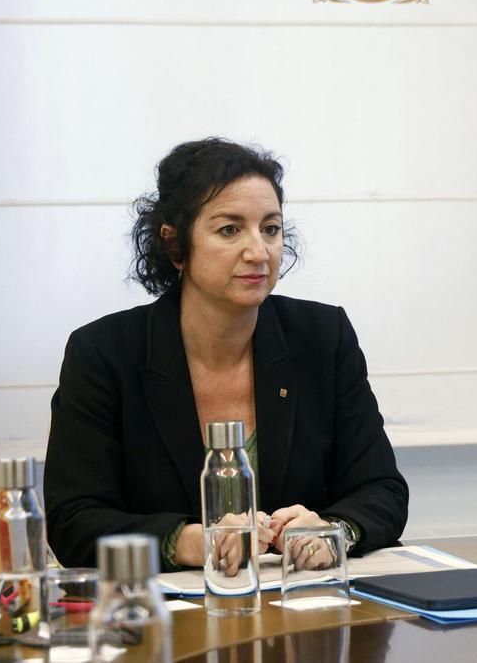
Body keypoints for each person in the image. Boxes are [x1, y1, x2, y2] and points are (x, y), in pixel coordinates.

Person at [45, 138, 408, 568]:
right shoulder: (104, 353)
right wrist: (189, 542)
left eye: (270, 228)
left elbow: (382, 488)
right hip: (165, 620)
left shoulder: (323, 337)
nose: (259, 252)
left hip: (303, 611)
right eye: (229, 230)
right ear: (176, 246)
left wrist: (334, 531)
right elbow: (73, 520)